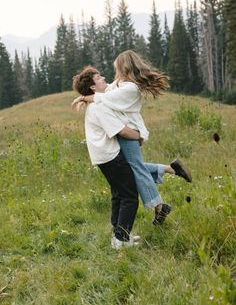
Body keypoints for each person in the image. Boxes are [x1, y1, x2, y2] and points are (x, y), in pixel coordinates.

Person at [73, 50, 192, 225]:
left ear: (123, 67)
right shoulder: (122, 83)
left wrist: (84, 97)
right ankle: (170, 170)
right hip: (127, 130)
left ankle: (159, 206)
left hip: (129, 131)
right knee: (131, 168)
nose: (113, 73)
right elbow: (108, 91)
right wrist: (86, 96)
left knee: (135, 168)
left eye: (116, 68)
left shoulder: (130, 87)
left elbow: (106, 98)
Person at [72, 66, 142, 250]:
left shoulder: (96, 103)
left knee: (118, 195)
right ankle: (121, 239)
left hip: (103, 156)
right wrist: (139, 136)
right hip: (110, 156)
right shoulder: (98, 108)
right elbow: (121, 130)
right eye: (99, 78)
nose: (104, 79)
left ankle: (118, 234)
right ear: (93, 87)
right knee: (130, 196)